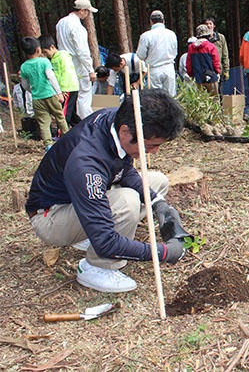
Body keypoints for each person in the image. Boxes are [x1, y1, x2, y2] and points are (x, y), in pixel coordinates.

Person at [26, 89, 189, 293]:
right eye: (151, 145)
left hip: (79, 201)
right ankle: (98, 267)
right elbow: (106, 242)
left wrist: (158, 204)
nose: (155, 151)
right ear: (125, 132)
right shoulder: (86, 163)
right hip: (52, 217)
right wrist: (162, 252)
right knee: (127, 202)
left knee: (157, 183)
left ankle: (90, 232)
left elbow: (123, 170)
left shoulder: (117, 118)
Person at [19, 37, 69, 147]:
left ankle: (48, 145)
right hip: (50, 95)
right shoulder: (44, 62)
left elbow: (24, 84)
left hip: (37, 98)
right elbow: (52, 78)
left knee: (43, 123)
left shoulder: (24, 67)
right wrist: (59, 93)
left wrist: (32, 92)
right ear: (38, 49)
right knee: (60, 117)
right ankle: (67, 139)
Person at [56, 0, 98, 120]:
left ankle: (72, 120)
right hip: (78, 64)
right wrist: (90, 70)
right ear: (81, 11)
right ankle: (87, 121)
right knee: (84, 94)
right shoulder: (78, 27)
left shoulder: (61, 23)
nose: (88, 14)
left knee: (70, 95)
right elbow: (82, 52)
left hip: (65, 63)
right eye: (87, 11)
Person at [39, 35, 80, 127]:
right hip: (65, 88)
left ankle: (60, 135)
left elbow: (66, 73)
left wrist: (62, 90)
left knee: (63, 115)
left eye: (46, 52)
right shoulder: (54, 58)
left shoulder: (62, 56)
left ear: (52, 47)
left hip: (68, 88)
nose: (45, 55)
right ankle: (82, 128)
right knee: (71, 114)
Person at [136, 10, 178, 96]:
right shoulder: (172, 34)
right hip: (169, 68)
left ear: (151, 22)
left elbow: (141, 55)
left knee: (156, 99)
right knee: (171, 98)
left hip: (154, 69)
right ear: (163, 21)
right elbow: (175, 52)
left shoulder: (146, 36)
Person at [187, 24, 221, 94]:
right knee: (214, 99)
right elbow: (216, 62)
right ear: (207, 35)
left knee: (200, 100)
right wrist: (218, 72)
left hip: (198, 79)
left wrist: (191, 75)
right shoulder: (211, 46)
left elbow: (188, 64)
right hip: (211, 77)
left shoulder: (191, 48)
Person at [202, 16, 230, 83]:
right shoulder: (201, 39)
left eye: (210, 23)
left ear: (214, 25)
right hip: (205, 71)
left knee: (218, 91)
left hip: (218, 70)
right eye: (206, 24)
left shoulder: (220, 38)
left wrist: (226, 70)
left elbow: (225, 55)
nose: (208, 26)